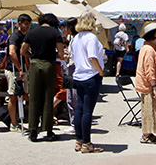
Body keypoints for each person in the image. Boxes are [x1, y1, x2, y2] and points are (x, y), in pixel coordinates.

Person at [21, 13, 65, 142]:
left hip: (35, 64)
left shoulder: (32, 32)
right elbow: (61, 54)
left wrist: (32, 56)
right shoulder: (55, 33)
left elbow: (23, 50)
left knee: (34, 97)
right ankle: (48, 130)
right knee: (48, 96)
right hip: (49, 65)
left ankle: (33, 130)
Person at [71, 10, 104, 153]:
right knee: (87, 111)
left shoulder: (76, 38)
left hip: (79, 75)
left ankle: (79, 140)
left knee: (80, 108)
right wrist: (101, 71)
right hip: (90, 75)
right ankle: (86, 142)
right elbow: (92, 57)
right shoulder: (91, 38)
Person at [135, 23, 156, 144]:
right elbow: (149, 70)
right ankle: (146, 134)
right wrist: (154, 86)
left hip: (152, 84)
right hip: (149, 85)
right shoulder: (149, 49)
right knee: (149, 110)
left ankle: (150, 133)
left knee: (152, 109)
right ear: (153, 35)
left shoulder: (151, 47)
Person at [5, 14, 31, 132]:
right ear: (19, 23)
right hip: (13, 70)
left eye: (29, 24)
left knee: (24, 94)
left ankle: (18, 119)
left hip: (22, 69)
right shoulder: (15, 36)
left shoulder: (24, 36)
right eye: (26, 23)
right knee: (13, 96)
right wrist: (19, 68)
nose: (28, 26)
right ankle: (14, 123)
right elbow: (12, 52)